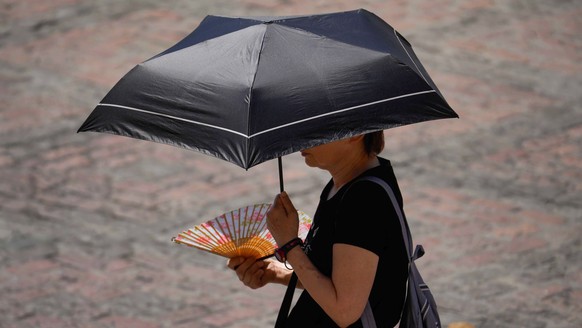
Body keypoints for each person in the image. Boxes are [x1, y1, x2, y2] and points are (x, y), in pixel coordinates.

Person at [227, 131, 409, 327]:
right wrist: (274, 272)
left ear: (356, 134)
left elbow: (344, 311)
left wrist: (289, 245)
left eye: (317, 129)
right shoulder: (343, 184)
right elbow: (333, 274)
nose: (300, 140)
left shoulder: (364, 200)